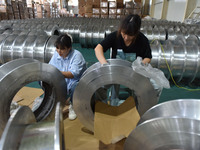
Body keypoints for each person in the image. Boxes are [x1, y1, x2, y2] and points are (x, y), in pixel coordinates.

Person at [94, 14, 152, 106]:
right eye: (123, 33)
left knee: (151, 87)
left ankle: (139, 106)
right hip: (114, 72)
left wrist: (140, 65)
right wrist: (105, 64)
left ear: (136, 33)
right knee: (98, 85)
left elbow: (148, 57)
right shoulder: (115, 36)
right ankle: (103, 105)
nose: (125, 37)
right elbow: (98, 48)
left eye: (129, 35)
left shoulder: (142, 40)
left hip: (133, 73)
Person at [49, 34, 86, 120]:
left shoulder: (77, 56)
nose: (59, 51)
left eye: (62, 49)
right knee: (43, 80)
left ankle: (73, 106)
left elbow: (72, 74)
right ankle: (54, 101)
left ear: (69, 48)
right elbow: (50, 67)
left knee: (76, 87)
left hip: (74, 82)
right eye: (57, 48)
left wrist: (56, 73)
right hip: (62, 82)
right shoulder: (56, 54)